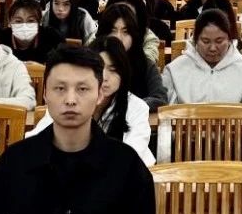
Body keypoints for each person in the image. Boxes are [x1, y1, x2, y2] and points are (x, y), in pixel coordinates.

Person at [0, 45, 156, 214]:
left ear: (99, 94)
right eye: (60, 88)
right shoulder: (12, 163)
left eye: (82, 89)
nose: (70, 100)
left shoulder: (126, 167)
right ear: (45, 94)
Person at [26, 37, 154, 166]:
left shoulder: (137, 107)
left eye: (113, 70)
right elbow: (34, 141)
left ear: (123, 73)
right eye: (100, 69)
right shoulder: (69, 101)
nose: (105, 77)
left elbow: (132, 155)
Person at [162, 9, 242, 104]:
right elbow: (168, 112)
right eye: (206, 41)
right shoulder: (174, 70)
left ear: (229, 40)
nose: (213, 48)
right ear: (195, 40)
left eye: (219, 41)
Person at [96, 3, 168, 110]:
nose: (118, 37)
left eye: (125, 32)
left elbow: (160, 99)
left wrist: (126, 107)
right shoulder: (91, 62)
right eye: (113, 31)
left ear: (134, 35)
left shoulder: (145, 64)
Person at [0, 0, 64, 65]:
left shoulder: (52, 38)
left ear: (39, 22)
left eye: (30, 21)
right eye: (18, 21)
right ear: (9, 22)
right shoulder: (0, 40)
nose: (24, 26)